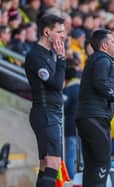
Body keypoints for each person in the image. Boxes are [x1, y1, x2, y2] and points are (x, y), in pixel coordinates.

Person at [76, 29, 114, 187]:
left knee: (91, 164)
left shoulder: (94, 59)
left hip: (85, 116)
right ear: (104, 45)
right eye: (113, 42)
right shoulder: (103, 60)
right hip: (95, 117)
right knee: (103, 162)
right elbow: (100, 83)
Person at [24, 14, 66, 187]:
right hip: (46, 113)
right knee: (53, 164)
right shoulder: (36, 56)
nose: (63, 35)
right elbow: (56, 84)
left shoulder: (48, 54)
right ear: (47, 32)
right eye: (59, 31)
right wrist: (62, 58)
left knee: (45, 165)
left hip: (50, 113)